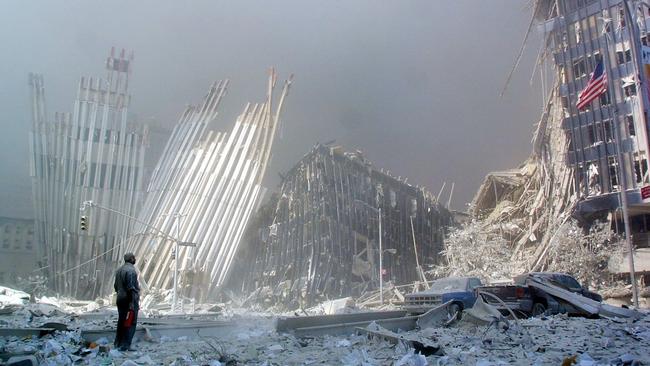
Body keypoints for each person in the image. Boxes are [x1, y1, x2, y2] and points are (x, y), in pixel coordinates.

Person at [113, 252, 140, 351]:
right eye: (134, 258)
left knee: (121, 321)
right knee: (130, 322)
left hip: (120, 299)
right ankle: (126, 345)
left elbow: (115, 286)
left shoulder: (119, 270)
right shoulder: (131, 271)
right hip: (129, 300)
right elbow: (131, 288)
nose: (135, 259)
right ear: (132, 259)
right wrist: (132, 303)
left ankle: (117, 343)